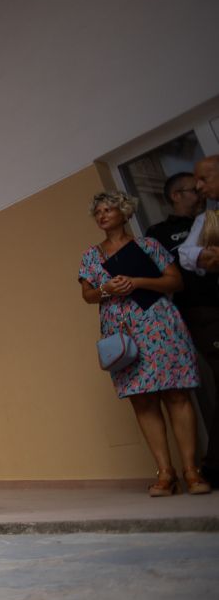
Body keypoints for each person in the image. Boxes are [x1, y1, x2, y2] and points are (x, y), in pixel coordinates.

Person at [79, 191, 208, 496]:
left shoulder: (148, 245)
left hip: (158, 324)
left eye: (108, 209)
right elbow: (88, 295)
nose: (102, 215)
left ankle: (192, 471)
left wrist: (137, 282)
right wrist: (107, 289)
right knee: (142, 399)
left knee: (176, 393)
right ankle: (165, 473)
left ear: (124, 212)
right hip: (122, 333)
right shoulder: (90, 256)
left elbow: (175, 281)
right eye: (98, 212)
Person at [147, 171, 219, 482]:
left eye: (204, 185)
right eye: (194, 189)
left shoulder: (209, 220)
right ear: (176, 195)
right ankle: (212, 465)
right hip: (196, 312)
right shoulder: (158, 234)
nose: (201, 192)